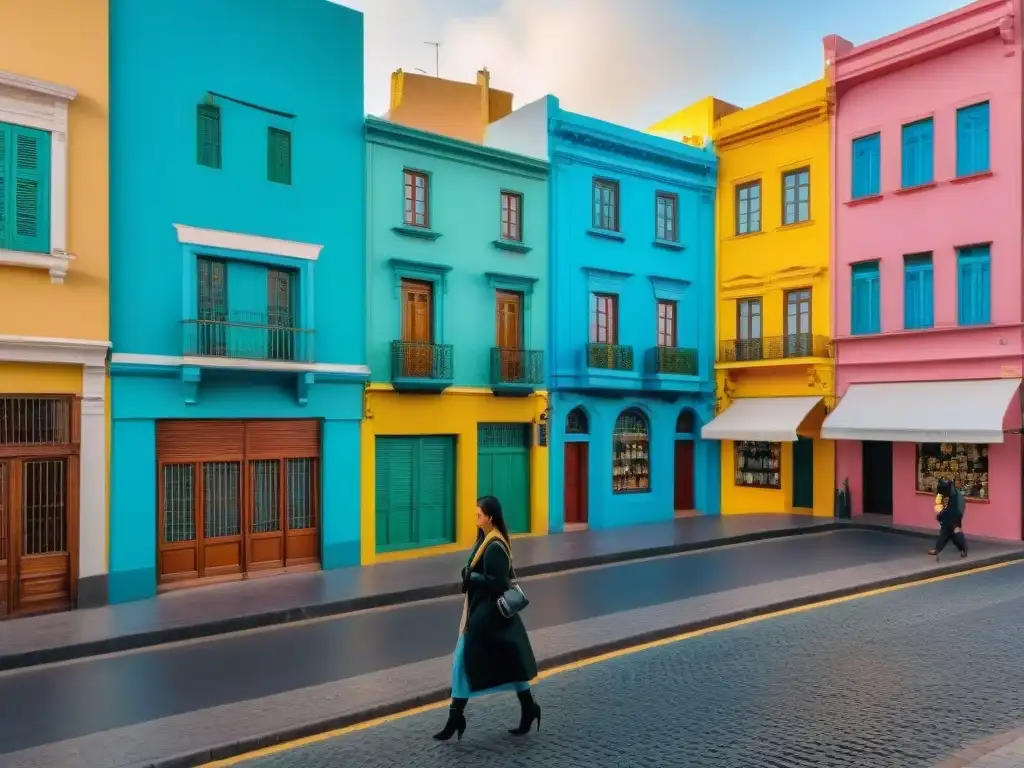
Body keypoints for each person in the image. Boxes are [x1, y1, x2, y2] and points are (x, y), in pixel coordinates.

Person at [433, 495, 540, 742]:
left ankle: (455, 717)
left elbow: (499, 583)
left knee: (461, 660)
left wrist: (472, 578)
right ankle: (529, 708)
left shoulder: (494, 545)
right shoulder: (485, 539)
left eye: (479, 514)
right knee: (511, 663)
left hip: (489, 616)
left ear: (490, 518)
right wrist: (469, 573)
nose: (475, 518)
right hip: (485, 614)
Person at [928, 478, 967, 559]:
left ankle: (964, 550)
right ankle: (937, 549)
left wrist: (941, 516)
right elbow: (946, 507)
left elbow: (952, 509)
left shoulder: (954, 495)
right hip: (951, 516)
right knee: (944, 533)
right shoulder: (950, 492)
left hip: (955, 516)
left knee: (956, 533)